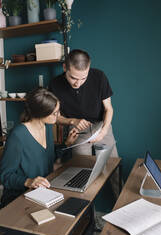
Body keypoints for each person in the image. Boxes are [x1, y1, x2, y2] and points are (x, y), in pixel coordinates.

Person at [49, 49, 119, 198]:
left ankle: (121, 207)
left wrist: (105, 130)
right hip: (77, 130)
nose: (78, 83)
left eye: (83, 78)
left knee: (114, 169)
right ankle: (86, 216)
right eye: (73, 78)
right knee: (81, 172)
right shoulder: (55, 84)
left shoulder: (99, 76)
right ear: (64, 68)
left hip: (101, 125)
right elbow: (55, 117)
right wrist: (72, 121)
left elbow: (109, 109)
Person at [0, 87, 78, 208]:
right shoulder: (18, 135)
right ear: (40, 112)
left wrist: (67, 143)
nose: (58, 116)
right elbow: (4, 176)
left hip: (43, 191)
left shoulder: (46, 127)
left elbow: (47, 157)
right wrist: (29, 181)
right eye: (54, 113)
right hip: (19, 197)